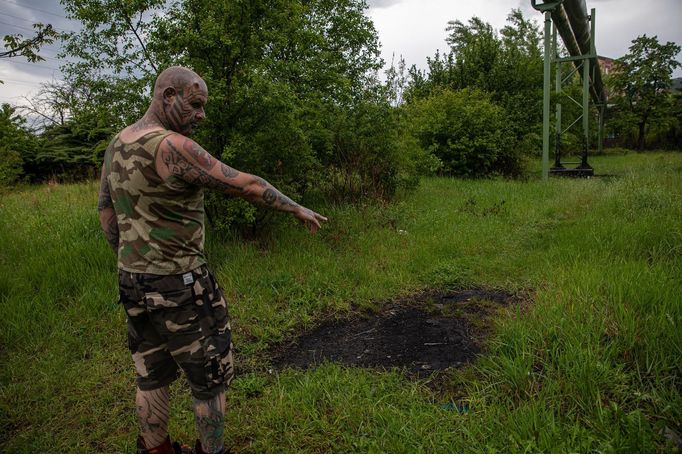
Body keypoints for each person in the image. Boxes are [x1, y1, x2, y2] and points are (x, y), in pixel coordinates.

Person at [97, 66, 327, 454]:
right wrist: (296, 208)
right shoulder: (172, 146)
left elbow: (105, 210)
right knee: (209, 377)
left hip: (132, 279)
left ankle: (155, 450)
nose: (201, 115)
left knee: (150, 375)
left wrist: (131, 259)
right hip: (181, 284)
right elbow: (248, 185)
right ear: (168, 95)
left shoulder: (118, 143)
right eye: (195, 105)